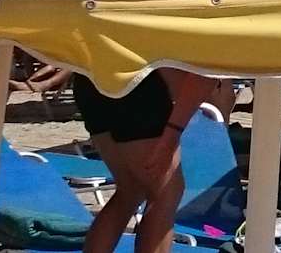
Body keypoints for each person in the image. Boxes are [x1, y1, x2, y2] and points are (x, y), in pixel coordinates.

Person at [74, 68, 224, 253]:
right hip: (136, 87)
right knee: (166, 194)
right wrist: (171, 136)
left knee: (130, 189)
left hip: (91, 78)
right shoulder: (209, 67)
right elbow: (201, 81)